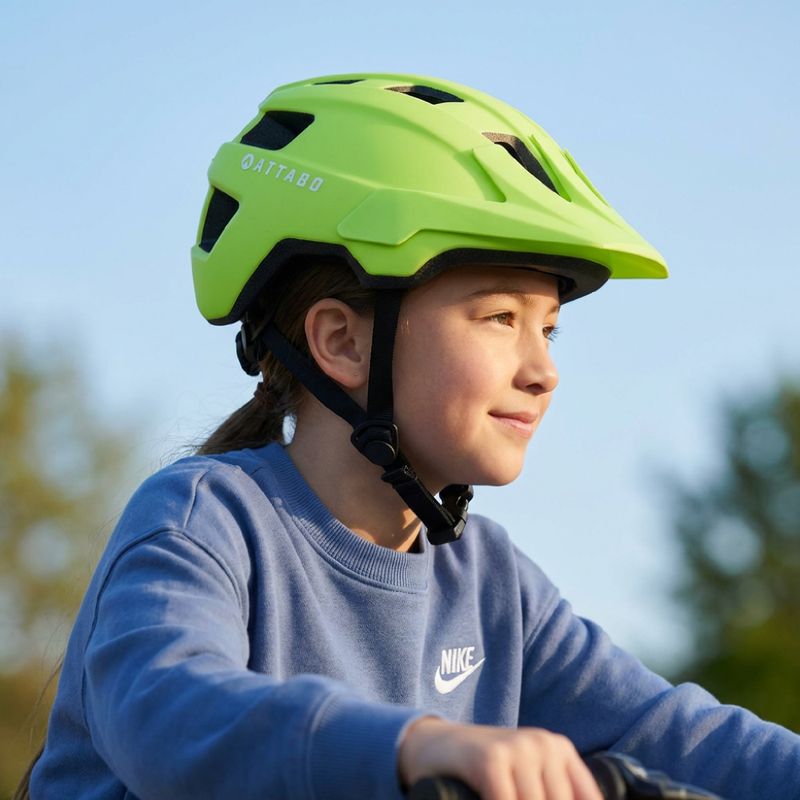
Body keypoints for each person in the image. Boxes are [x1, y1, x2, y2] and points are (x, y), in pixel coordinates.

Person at [25, 73, 800, 800]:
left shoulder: (491, 586)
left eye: (551, 331)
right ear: (343, 343)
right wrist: (416, 746)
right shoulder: (207, 519)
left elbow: (679, 737)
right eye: (501, 318)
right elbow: (168, 711)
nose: (543, 371)